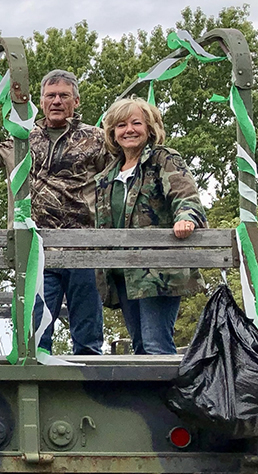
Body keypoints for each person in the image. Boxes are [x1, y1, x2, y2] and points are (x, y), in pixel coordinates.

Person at [0, 70, 110, 355]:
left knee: (87, 331)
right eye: (51, 95)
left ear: (76, 101)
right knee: (35, 334)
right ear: (41, 101)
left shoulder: (98, 139)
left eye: (64, 95)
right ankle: (35, 387)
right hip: (35, 249)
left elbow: (127, 167)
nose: (57, 101)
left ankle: (89, 391)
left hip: (82, 247)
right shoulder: (22, 138)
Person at [94, 97, 207, 355]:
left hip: (157, 270)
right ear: (112, 132)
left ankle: (166, 396)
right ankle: (148, 397)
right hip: (122, 273)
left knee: (157, 344)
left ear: (150, 128)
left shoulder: (163, 159)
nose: (129, 130)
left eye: (136, 123)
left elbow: (185, 195)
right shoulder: (107, 175)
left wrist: (186, 218)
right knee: (140, 347)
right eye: (121, 125)